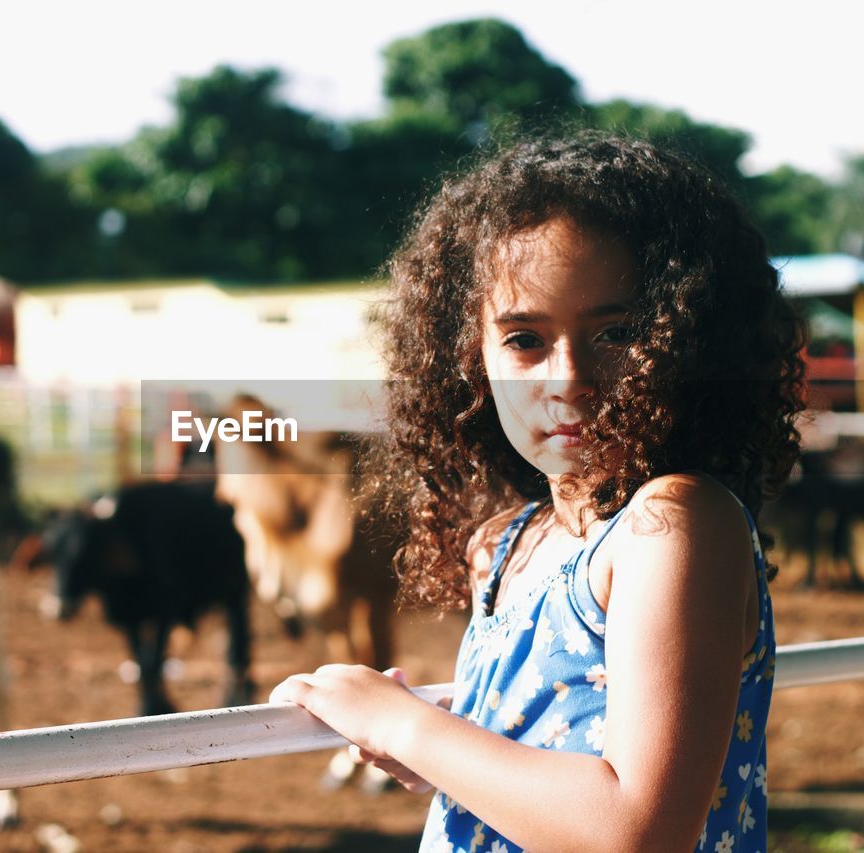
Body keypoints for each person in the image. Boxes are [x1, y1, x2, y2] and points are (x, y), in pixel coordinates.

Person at [269, 134, 807, 852]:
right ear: (469, 359)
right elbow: (560, 749)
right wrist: (444, 747)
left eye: (617, 331)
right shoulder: (504, 544)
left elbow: (636, 829)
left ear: (692, 341)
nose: (568, 379)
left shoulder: (676, 523)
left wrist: (405, 723)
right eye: (524, 339)